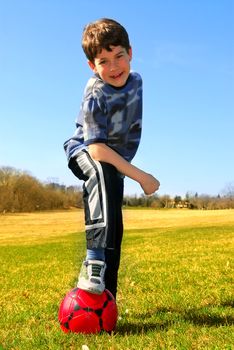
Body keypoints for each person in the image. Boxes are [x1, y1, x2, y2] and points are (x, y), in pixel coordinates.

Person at [64, 18, 160, 299]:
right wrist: (141, 176)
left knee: (114, 229)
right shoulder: (95, 92)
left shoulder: (137, 81)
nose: (115, 66)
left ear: (131, 52)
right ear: (92, 66)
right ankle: (94, 259)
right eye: (104, 61)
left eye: (119, 56)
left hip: (113, 164)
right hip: (84, 151)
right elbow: (96, 150)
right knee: (100, 172)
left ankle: (108, 299)